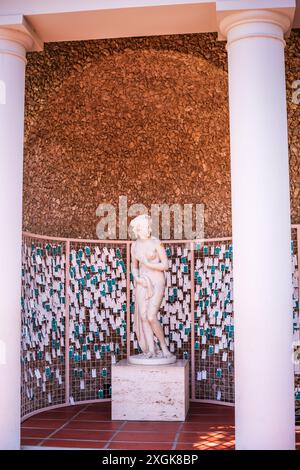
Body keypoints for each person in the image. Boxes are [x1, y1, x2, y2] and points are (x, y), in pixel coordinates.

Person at [130, 214, 173, 359]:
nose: (149, 229)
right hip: (142, 281)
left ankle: (164, 347)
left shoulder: (156, 242)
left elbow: (165, 265)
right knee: (143, 316)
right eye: (146, 227)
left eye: (149, 226)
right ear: (138, 229)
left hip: (156, 280)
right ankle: (151, 350)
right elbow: (134, 266)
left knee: (150, 315)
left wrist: (147, 263)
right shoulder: (134, 245)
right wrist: (136, 277)